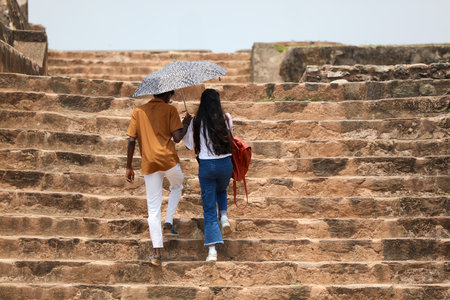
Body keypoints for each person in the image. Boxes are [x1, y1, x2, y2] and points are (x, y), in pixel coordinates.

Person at [126, 90, 192, 267]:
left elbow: (131, 140)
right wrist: (185, 123)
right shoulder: (170, 110)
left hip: (150, 164)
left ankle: (157, 253)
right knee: (177, 186)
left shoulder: (138, 111)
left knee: (153, 209)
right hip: (169, 161)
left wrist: (128, 166)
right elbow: (177, 138)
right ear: (168, 94)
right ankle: (169, 222)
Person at [183, 89, 233, 262]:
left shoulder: (196, 121)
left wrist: (187, 123)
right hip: (226, 164)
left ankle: (212, 250)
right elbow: (230, 137)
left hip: (206, 166)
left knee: (209, 208)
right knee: (222, 188)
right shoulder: (226, 118)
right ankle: (225, 216)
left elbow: (189, 146)